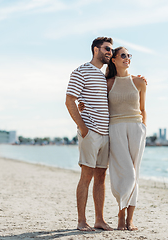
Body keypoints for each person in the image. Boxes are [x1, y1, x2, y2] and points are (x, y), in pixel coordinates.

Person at [65, 37, 114, 231]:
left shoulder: (104, 76)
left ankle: (99, 220)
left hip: (105, 133)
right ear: (96, 50)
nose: (110, 52)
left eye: (111, 49)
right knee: (86, 176)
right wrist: (83, 127)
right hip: (91, 132)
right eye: (107, 49)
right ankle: (81, 221)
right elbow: (70, 100)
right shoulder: (81, 71)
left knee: (101, 177)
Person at [105, 46, 147, 231]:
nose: (127, 58)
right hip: (115, 129)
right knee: (125, 174)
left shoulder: (139, 82)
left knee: (134, 174)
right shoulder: (108, 83)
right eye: (123, 55)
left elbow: (143, 108)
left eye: (128, 55)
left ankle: (129, 220)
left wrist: (143, 128)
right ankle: (121, 213)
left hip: (136, 128)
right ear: (113, 59)